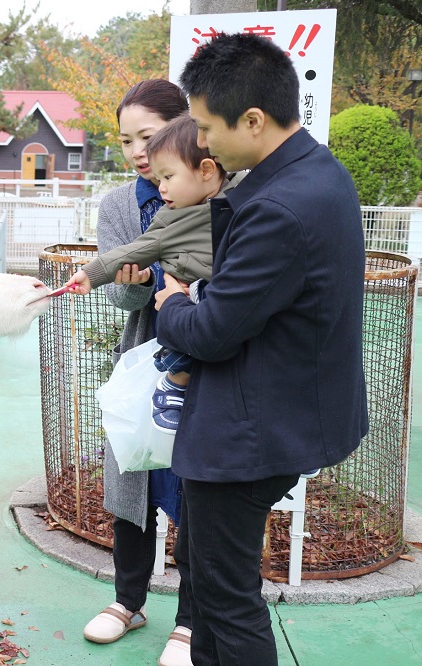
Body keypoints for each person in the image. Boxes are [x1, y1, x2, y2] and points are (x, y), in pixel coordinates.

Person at [153, 33, 368, 665]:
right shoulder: (318, 173)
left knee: (224, 597)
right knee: (217, 582)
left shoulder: (279, 206)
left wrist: (173, 304)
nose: (203, 143)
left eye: (206, 127)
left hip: (251, 433)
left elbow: (211, 332)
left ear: (253, 119)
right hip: (289, 409)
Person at [63, 79, 195, 666]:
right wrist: (137, 288)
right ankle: (128, 600)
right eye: (126, 140)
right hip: (141, 359)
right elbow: (119, 303)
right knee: (133, 481)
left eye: (149, 136)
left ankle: (193, 618)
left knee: (197, 488)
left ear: (181, 127)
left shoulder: (216, 186)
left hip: (205, 361)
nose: (139, 151)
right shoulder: (119, 204)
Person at [66, 112, 244, 434]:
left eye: (168, 177)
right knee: (190, 330)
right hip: (192, 299)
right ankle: (174, 384)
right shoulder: (169, 219)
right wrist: (91, 275)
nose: (161, 187)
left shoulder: (244, 192)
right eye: (125, 140)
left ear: (206, 169)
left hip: (237, 300)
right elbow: (131, 252)